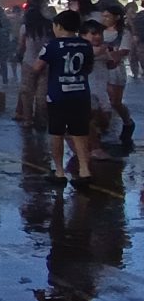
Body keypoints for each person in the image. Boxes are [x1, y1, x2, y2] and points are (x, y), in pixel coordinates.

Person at [34, 10, 94, 188]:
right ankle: (84, 170)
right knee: (80, 132)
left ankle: (59, 171)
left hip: (58, 94)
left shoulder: (52, 45)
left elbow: (37, 67)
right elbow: (88, 68)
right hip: (81, 94)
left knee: (56, 133)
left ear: (58, 26)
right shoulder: (86, 45)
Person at [99, 4, 135, 146]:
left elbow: (123, 51)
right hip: (99, 70)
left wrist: (108, 54)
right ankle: (101, 128)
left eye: (108, 16)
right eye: (104, 16)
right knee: (101, 100)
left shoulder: (123, 33)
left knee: (115, 101)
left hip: (115, 71)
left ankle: (127, 122)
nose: (105, 19)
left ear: (117, 17)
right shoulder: (98, 31)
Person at [16, 0, 53, 130]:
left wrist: (18, 56)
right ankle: (41, 119)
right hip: (47, 63)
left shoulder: (25, 27)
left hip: (28, 61)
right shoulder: (49, 26)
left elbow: (21, 46)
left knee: (27, 91)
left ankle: (28, 119)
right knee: (42, 94)